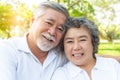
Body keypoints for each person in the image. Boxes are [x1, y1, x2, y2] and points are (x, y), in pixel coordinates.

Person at [0, 1, 69, 80]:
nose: (52, 32)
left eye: (60, 29)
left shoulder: (64, 55)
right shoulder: (7, 49)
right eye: (48, 23)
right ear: (33, 21)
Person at [51, 17, 120, 80]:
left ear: (93, 41)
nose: (76, 47)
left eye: (82, 40)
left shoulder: (112, 66)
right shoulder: (61, 75)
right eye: (70, 41)